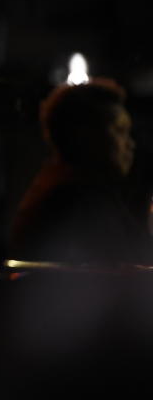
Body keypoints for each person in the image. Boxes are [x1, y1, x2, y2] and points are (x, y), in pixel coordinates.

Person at [10, 78, 150, 264]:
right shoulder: (78, 203)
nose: (130, 144)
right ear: (85, 136)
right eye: (119, 130)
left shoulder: (58, 190)